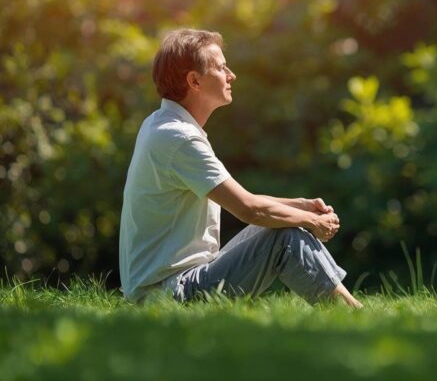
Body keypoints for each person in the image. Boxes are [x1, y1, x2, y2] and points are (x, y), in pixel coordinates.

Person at [119, 29, 362, 308]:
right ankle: (350, 313)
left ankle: (348, 309)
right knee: (285, 236)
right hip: (170, 294)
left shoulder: (160, 124)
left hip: (169, 286)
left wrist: (301, 206)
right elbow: (249, 209)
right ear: (194, 80)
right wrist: (311, 221)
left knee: (285, 225)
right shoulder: (179, 138)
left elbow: (244, 199)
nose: (231, 75)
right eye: (222, 68)